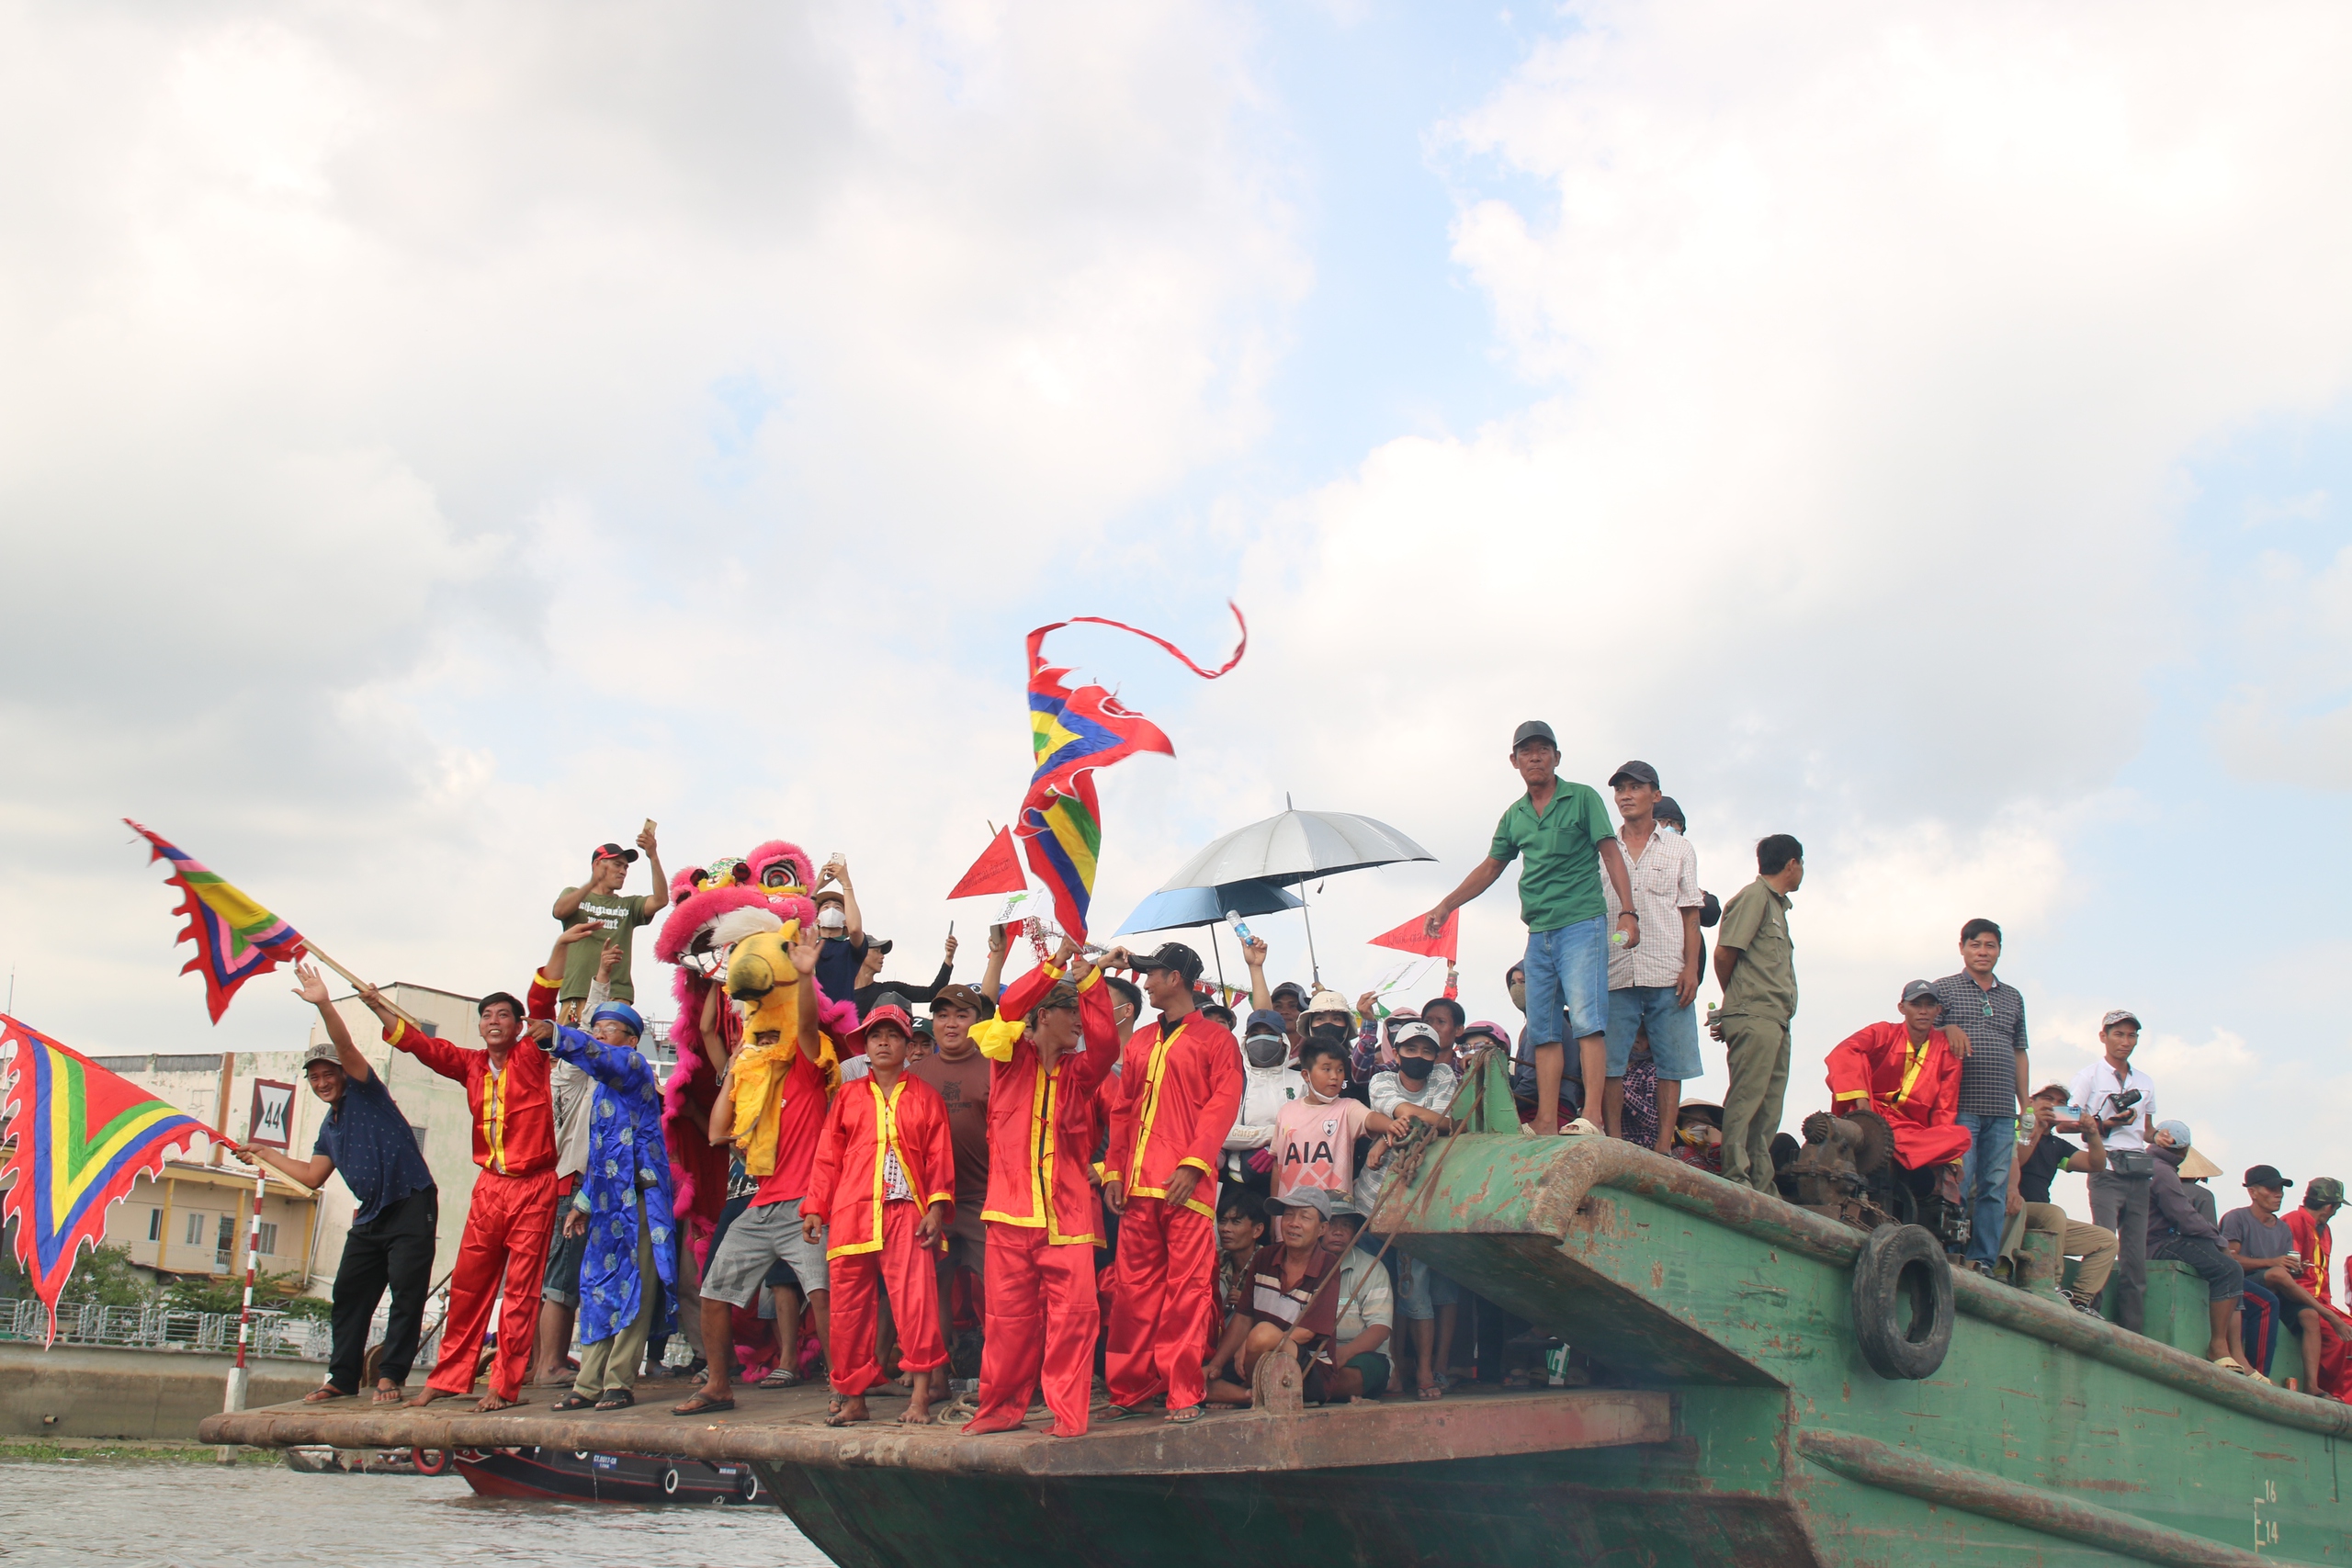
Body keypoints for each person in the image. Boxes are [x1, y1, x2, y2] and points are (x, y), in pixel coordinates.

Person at [359, 936, 568, 1411]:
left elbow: (542, 998)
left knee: (520, 1291)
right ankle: (448, 1379)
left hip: (535, 1186)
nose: (493, 1022)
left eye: (503, 1016)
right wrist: (376, 1005)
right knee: (469, 1285)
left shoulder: (531, 1057)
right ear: (479, 1027)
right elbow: (418, 1043)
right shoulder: (470, 1065)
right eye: (487, 1016)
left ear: (518, 1026)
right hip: (490, 1187)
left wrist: (559, 944)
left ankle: (503, 1385)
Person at [1422, 720, 1639, 1135]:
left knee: (1588, 1020)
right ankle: (1543, 1118)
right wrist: (1447, 904)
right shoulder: (1515, 815)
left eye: (1543, 750)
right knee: (1543, 1028)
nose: (1535, 757)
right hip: (1539, 931)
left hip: (1582, 923)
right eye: (1526, 751)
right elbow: (1491, 867)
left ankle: (1591, 1116)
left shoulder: (1583, 798)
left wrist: (1628, 912)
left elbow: (1611, 855)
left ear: (1557, 758)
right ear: (1514, 761)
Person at [242, 962, 437, 1405]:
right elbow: (312, 1176)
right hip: (370, 1216)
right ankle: (343, 1377)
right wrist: (264, 1153)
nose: (323, 1081)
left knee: (406, 1292)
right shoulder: (329, 1127)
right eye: (315, 1078)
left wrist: (325, 1003)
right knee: (349, 1292)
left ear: (343, 1074)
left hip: (410, 1201)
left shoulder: (368, 1092)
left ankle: (390, 1376)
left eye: (329, 1074)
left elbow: (346, 1046)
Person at [673, 925, 833, 1417]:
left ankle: (842, 1387)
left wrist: (804, 976)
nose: (762, 1032)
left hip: (804, 1205)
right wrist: (739, 1063)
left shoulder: (807, 1061)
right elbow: (718, 1132)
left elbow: (805, 1027)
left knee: (821, 1294)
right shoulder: (752, 1073)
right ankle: (719, 1385)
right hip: (760, 1205)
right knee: (714, 1290)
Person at [960, 948, 1121, 1437]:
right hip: (1009, 1215)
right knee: (1007, 1322)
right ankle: (998, 1411)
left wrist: (1090, 980)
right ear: (1044, 1015)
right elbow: (1009, 1010)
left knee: (1074, 1319)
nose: (1079, 1021)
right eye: (1070, 1011)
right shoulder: (1006, 1058)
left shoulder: (1081, 1073)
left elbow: (1107, 1044)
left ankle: (1068, 1416)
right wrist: (1056, 960)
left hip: (1069, 1218)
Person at [1100, 941, 1245, 1426]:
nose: (1144, 980)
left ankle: (1184, 1391)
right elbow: (1122, 1112)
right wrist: (1115, 1172)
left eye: (1153, 973)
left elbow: (1221, 1108)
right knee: (1132, 1291)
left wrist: (1195, 1163)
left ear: (1176, 978)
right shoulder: (1139, 1042)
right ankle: (1129, 1387)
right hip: (1138, 1186)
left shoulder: (1217, 1041)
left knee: (1187, 1292)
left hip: (1187, 1188)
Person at [804, 1002, 956, 1427]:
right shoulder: (849, 1097)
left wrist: (937, 1209)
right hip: (853, 1212)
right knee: (848, 1309)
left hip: (908, 1212)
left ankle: (921, 1399)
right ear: (866, 1047)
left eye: (892, 1035)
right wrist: (816, 1207)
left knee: (916, 1303)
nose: (884, 1042)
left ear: (908, 1045)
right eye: (876, 1036)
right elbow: (827, 1158)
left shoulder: (926, 1097)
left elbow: (939, 1158)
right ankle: (853, 1398)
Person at [542, 997, 676, 1412]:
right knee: (598, 1290)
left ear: (632, 1041)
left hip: (639, 1200)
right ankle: (587, 1383)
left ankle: (619, 1381)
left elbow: (601, 1058)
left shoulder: (633, 1069)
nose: (599, 1034)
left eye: (609, 1028)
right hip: (604, 1203)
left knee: (636, 1290)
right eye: (596, 1027)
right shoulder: (600, 1091)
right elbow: (600, 1156)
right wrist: (583, 1202)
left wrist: (560, 1036)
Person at [1599, 761, 1705, 1149]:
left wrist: (1691, 968)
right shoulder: (1604, 847)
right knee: (1610, 1063)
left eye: (1635, 788)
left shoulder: (1680, 848)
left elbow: (1690, 914)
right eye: (1620, 789)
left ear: (1655, 795)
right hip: (1616, 968)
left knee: (1671, 1062)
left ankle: (1663, 1146)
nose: (1626, 795)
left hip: (1667, 969)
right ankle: (1613, 1140)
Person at [532, 931, 616, 1386]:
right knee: (562, 1279)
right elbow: (582, 1040)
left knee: (575, 1278)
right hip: (575, 1184)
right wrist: (600, 978)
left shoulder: (586, 1077)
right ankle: (549, 1365)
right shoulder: (569, 1077)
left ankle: (551, 1361)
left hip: (591, 1185)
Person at [1824, 980, 1973, 1229]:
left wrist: (1952, 1161)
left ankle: (1894, 1150)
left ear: (1938, 1011)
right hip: (1870, 1114)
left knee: (1961, 1137)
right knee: (1852, 1055)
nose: (1923, 1011)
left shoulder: (1946, 1052)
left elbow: (1944, 1108)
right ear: (1902, 1008)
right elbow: (1843, 1052)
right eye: (1916, 1005)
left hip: (1910, 1131)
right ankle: (1890, 1147)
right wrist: (1864, 1108)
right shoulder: (1883, 1032)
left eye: (1929, 1005)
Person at [1928, 920, 2030, 1276]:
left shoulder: (2013, 996)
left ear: (1999, 950)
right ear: (1962, 948)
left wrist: (2025, 1102)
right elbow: (1921, 1028)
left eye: (1990, 946)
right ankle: (1950, 1251)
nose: (1983, 952)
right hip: (1960, 1104)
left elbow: (2019, 1052)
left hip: (2002, 1110)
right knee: (1958, 1179)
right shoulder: (1945, 989)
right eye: (1975, 945)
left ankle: (1983, 1259)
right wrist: (1947, 1028)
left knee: (1994, 1187)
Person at [1712, 835, 1803, 1192]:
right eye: (1802, 864)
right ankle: (1735, 1175)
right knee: (1747, 1099)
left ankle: (1761, 1183)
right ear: (1792, 864)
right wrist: (1736, 1002)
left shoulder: (1778, 906)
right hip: (1754, 1014)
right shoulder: (1755, 898)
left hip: (1776, 1017)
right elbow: (1724, 954)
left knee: (1769, 1108)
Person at [910, 982, 992, 1376]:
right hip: (932, 1204)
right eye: (942, 1015)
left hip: (984, 1199)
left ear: (977, 1021)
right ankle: (937, 1378)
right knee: (932, 1292)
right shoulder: (915, 1074)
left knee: (998, 1291)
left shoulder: (996, 1066)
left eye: (962, 1015)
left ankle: (1003, 1377)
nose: (951, 1024)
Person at [1203, 1190, 1344, 1406]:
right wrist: (1217, 1364)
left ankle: (1245, 1390)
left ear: (1322, 1229)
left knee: (1263, 1333)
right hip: (1254, 1360)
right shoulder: (1264, 1258)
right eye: (1288, 1215)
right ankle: (1249, 1396)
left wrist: (1252, 1344)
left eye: (1304, 1217)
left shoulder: (1328, 1265)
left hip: (1308, 1368)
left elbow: (1307, 1332)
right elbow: (1243, 1317)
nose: (1293, 1224)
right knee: (1193, 1378)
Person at [2069, 1010, 2158, 1333]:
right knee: (2103, 1240)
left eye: (2131, 1035)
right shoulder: (2089, 1076)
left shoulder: (2145, 1081)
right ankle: (2091, 1311)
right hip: (2105, 1165)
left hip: (2137, 1169)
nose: (2125, 1041)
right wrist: (2103, 1123)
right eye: (2118, 1034)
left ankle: (2134, 1329)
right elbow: (2068, 1122)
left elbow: (2146, 1130)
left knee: (2136, 1255)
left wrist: (2159, 1136)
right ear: (2103, 1036)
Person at [2146, 1121, 2253, 1372]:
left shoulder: (2150, 1164)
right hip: (2159, 1243)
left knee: (2224, 1263)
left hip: (2146, 1241)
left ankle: (2233, 1351)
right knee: (2229, 1270)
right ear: (2184, 1152)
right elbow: (2184, 1218)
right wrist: (2219, 1241)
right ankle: (2219, 1346)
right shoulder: (2162, 1172)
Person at [2006, 1084, 2116, 1315]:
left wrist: (2093, 1133)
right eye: (2047, 1099)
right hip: (2013, 1211)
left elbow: (2096, 1164)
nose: (2055, 1106)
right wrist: (2035, 1125)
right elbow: (2019, 1161)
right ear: (2031, 1102)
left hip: (2045, 1222)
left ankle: (2080, 1301)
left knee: (2106, 1240)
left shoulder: (2056, 1145)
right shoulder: (2012, 1128)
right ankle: (2050, 1283)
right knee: (2053, 1213)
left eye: (2061, 1103)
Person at [551, 827, 669, 1019]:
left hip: (616, 995)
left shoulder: (629, 905)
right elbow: (559, 911)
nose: (623, 871)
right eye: (617, 865)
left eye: (625, 867)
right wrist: (591, 883)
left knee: (611, 1048)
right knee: (570, 1048)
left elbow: (661, 900)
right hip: (578, 992)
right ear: (597, 864)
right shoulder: (574, 894)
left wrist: (653, 856)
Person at [1272, 1037, 1403, 1205]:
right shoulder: (1286, 1112)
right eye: (1326, 1069)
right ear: (1306, 1075)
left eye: (1340, 1070)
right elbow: (1278, 1165)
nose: (1335, 1076)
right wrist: (1275, 1217)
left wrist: (1390, 1125)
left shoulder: (1347, 1108)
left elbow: (1370, 1118)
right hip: (1290, 1214)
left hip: (1334, 1214)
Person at [2223, 1166, 2319, 1389]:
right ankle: (2259, 1374)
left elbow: (2281, 1267)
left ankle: (2313, 1386)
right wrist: (2272, 1262)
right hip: (2243, 1284)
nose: (2279, 1194)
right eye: (2272, 1189)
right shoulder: (2236, 1218)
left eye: (2281, 1189)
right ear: (2253, 1192)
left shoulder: (2283, 1229)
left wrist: (2294, 1268)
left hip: (2274, 1285)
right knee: (2267, 1301)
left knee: (2310, 1316)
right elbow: (2230, 1261)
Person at [2280, 1178, 2352, 1399]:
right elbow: (2292, 1274)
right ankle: (2327, 1391)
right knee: (2338, 1336)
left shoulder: (2324, 1229)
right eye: (2336, 1207)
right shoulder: (2293, 1221)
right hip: (2299, 1298)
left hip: (2323, 1300)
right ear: (2331, 1206)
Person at [1225, 1008, 1305, 1190]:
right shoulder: (1235, 1082)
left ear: (1283, 1041)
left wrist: (1274, 1149)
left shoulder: (1300, 1081)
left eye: (1270, 1034)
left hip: (1293, 1181)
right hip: (1242, 1182)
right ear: (1245, 1041)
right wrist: (1270, 1135)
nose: (1262, 1040)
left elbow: (1311, 1128)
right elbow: (1224, 1134)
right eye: (1255, 1034)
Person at [1322, 1205, 1394, 1401]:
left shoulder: (1372, 1268)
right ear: (1319, 1228)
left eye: (1346, 1225)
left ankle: (1311, 1388)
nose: (1338, 1232)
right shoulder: (1304, 1264)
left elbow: (1379, 1329)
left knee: (1352, 1377)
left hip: (1361, 1355)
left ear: (1355, 1232)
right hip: (1316, 1355)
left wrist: (1343, 1355)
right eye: (1332, 1225)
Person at [854, 931, 958, 1015]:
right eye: (877, 951)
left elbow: (932, 993)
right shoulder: (841, 992)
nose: (882, 956)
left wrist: (949, 958)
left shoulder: (890, 991)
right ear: (860, 953)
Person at [1213, 1189, 1269, 1337]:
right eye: (1223, 1221)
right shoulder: (1215, 1257)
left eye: (1236, 1222)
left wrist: (1249, 1305)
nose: (1225, 1229)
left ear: (1257, 1230)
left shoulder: (1268, 1264)